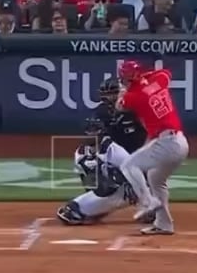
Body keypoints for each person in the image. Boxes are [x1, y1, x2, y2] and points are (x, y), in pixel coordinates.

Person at [55, 78, 151, 226]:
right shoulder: (101, 115)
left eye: (113, 94)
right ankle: (99, 205)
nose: (109, 98)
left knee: (144, 177)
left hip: (142, 155)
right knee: (102, 176)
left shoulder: (136, 110)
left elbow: (152, 134)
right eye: (106, 94)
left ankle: (149, 206)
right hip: (120, 158)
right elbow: (91, 182)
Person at [116, 60, 190, 236]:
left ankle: (147, 201)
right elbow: (166, 73)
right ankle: (164, 224)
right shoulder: (158, 80)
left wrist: (122, 90)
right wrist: (144, 78)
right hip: (180, 142)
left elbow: (119, 106)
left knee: (128, 166)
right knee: (155, 178)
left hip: (168, 143)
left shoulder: (133, 96)